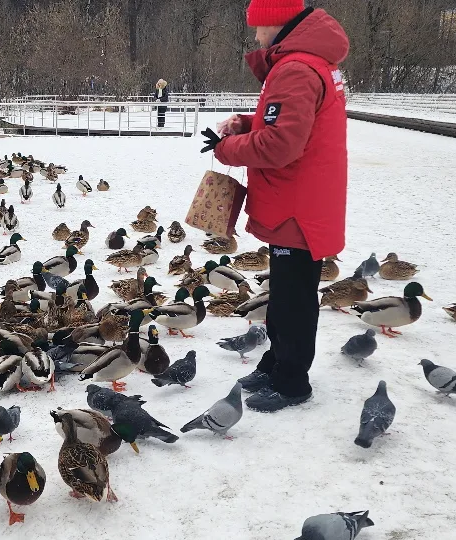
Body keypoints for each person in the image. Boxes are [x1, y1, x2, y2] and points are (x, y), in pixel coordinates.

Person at [201, 0, 349, 412]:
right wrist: (249, 123)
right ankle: (276, 361)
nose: (254, 35)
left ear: (275, 21)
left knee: (294, 298)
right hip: (300, 200)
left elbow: (281, 144)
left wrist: (227, 148)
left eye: (258, 27)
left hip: (297, 207)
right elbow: (287, 124)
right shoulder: (303, 63)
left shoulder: (296, 69)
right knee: (283, 291)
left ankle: (292, 381)